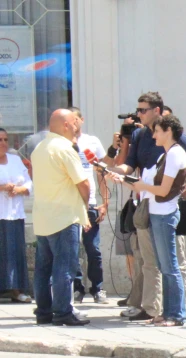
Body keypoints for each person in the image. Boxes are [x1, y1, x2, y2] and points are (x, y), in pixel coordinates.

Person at [109, 92, 186, 322]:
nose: (139, 114)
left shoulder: (177, 144)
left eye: (143, 110)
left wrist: (180, 194)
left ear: (157, 111)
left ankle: (182, 308)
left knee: (174, 262)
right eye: (138, 110)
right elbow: (130, 165)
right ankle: (154, 308)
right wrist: (116, 172)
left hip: (165, 207)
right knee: (151, 261)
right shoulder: (140, 135)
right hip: (147, 205)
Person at [121, 114, 186, 326]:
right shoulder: (165, 156)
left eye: (158, 131)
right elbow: (150, 187)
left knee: (170, 266)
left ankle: (177, 315)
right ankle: (167, 313)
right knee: (163, 264)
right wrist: (124, 180)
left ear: (168, 131)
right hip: (157, 213)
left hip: (165, 215)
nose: (154, 135)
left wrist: (142, 186)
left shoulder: (175, 154)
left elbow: (163, 190)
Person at [30, 109, 90, 326]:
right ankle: (63, 312)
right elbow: (82, 182)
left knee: (43, 269)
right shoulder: (64, 148)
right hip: (65, 216)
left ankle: (44, 312)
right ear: (65, 124)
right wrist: (86, 203)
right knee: (64, 267)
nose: (77, 126)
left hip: (43, 216)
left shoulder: (39, 148)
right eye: (75, 122)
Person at [69, 107, 110, 305]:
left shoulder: (92, 142)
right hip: (70, 204)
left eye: (75, 119)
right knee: (73, 248)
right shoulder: (63, 144)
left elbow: (101, 171)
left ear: (81, 120)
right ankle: (77, 288)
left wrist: (105, 202)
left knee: (93, 248)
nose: (73, 124)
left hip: (91, 202)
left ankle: (98, 288)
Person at [0, 128, 31, 304]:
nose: (3, 143)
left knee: (15, 251)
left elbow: (29, 182)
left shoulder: (15, 160)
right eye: (0, 140)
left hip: (14, 214)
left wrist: (19, 189)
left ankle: (16, 290)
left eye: (5, 139)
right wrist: (3, 187)